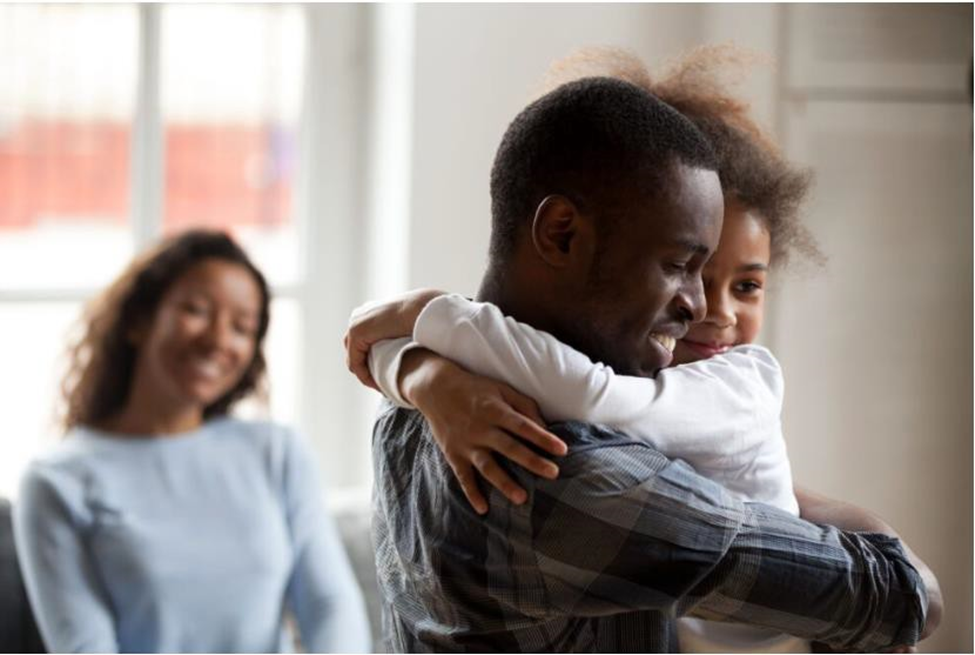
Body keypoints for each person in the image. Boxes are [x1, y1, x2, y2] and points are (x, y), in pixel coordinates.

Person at [347, 47, 943, 653]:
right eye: (681, 266)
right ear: (562, 234)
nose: (697, 307)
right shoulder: (566, 472)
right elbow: (904, 594)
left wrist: (412, 364)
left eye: (732, 279)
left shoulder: (407, 412)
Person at [14, 230, 371, 653]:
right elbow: (82, 645)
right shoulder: (57, 480)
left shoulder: (275, 453)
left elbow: (330, 605)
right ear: (139, 321)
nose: (219, 340)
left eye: (242, 327)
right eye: (196, 310)